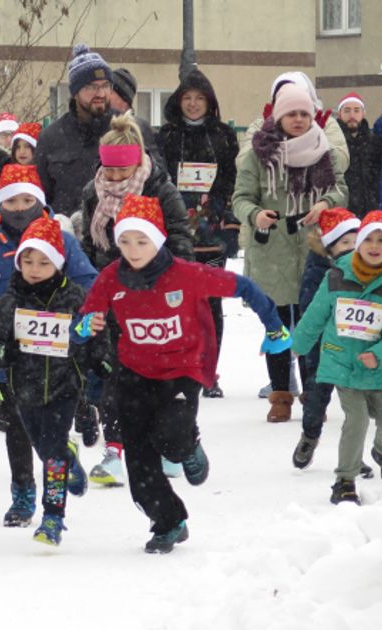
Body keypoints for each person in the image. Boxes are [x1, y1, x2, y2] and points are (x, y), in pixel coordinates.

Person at [74, 194, 291, 553]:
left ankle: (189, 446)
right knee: (140, 465)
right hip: (134, 372)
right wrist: (86, 326)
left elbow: (245, 288)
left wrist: (274, 327)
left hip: (182, 369)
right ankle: (169, 522)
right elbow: (82, 321)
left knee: (171, 438)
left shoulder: (187, 275)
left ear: (158, 239)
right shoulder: (112, 278)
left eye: (141, 240)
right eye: (125, 241)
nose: (133, 249)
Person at [0, 165, 98, 527]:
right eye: (11, 200)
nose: (19, 208)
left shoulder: (64, 241)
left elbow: (89, 286)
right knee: (16, 427)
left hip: (58, 359)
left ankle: (60, 462)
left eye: (27, 200)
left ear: (40, 201)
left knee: (50, 430)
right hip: (9, 356)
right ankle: (22, 492)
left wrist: (80, 327)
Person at [80, 112, 194, 485]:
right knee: (115, 371)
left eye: (121, 170)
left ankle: (169, 446)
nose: (114, 178)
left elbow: (179, 238)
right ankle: (115, 446)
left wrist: (164, 277)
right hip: (113, 292)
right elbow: (88, 244)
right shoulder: (91, 191)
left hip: (155, 295)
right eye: (108, 170)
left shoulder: (159, 189)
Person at [233, 82, 347, 423]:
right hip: (272, 251)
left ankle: (312, 393)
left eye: (304, 114)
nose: (298, 120)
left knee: (312, 325)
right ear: (279, 115)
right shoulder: (258, 153)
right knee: (277, 326)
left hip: (313, 249)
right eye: (291, 114)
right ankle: (280, 394)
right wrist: (255, 215)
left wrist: (326, 202)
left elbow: (341, 189)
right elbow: (240, 198)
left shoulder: (323, 150)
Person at [290, 211, 382, 505]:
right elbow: (315, 314)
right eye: (367, 238)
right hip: (344, 364)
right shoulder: (336, 277)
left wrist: (381, 353)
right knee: (355, 421)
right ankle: (344, 480)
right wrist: (298, 344)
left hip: (381, 371)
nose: (374, 245)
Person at [156, 69, 240, 398]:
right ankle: (178, 367)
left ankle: (209, 370)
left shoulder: (223, 135)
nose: (193, 105)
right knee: (175, 301)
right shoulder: (166, 135)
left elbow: (231, 177)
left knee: (210, 302)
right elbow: (160, 178)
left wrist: (214, 206)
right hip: (174, 228)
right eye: (187, 98)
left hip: (211, 227)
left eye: (199, 98)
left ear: (210, 102)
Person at [34, 45, 160, 217]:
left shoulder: (131, 129)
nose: (100, 93)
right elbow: (39, 197)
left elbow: (157, 185)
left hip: (123, 235)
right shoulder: (51, 137)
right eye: (91, 87)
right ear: (75, 92)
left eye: (106, 85)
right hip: (68, 235)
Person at [292, 208, 370, 477]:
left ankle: (353, 456)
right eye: (344, 243)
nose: (351, 249)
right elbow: (309, 308)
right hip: (324, 346)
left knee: (357, 408)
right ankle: (309, 436)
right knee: (317, 395)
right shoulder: (318, 271)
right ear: (329, 245)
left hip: (355, 344)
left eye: (355, 242)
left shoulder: (367, 268)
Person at [335, 93, 382, 217]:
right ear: (339, 114)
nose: (352, 115)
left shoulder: (376, 141)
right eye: (347, 111)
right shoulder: (333, 141)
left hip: (372, 210)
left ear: (363, 113)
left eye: (356, 110)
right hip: (342, 211)